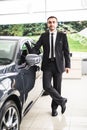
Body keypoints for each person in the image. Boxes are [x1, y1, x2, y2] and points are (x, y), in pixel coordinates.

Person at [32, 16, 71, 116]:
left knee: (57, 88)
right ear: (47, 24)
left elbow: (66, 51)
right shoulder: (44, 36)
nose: (51, 24)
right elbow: (36, 47)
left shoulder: (62, 36)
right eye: (49, 22)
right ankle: (62, 101)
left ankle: (54, 109)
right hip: (47, 65)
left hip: (58, 65)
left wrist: (68, 65)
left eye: (53, 22)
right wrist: (30, 54)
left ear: (57, 24)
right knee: (46, 86)